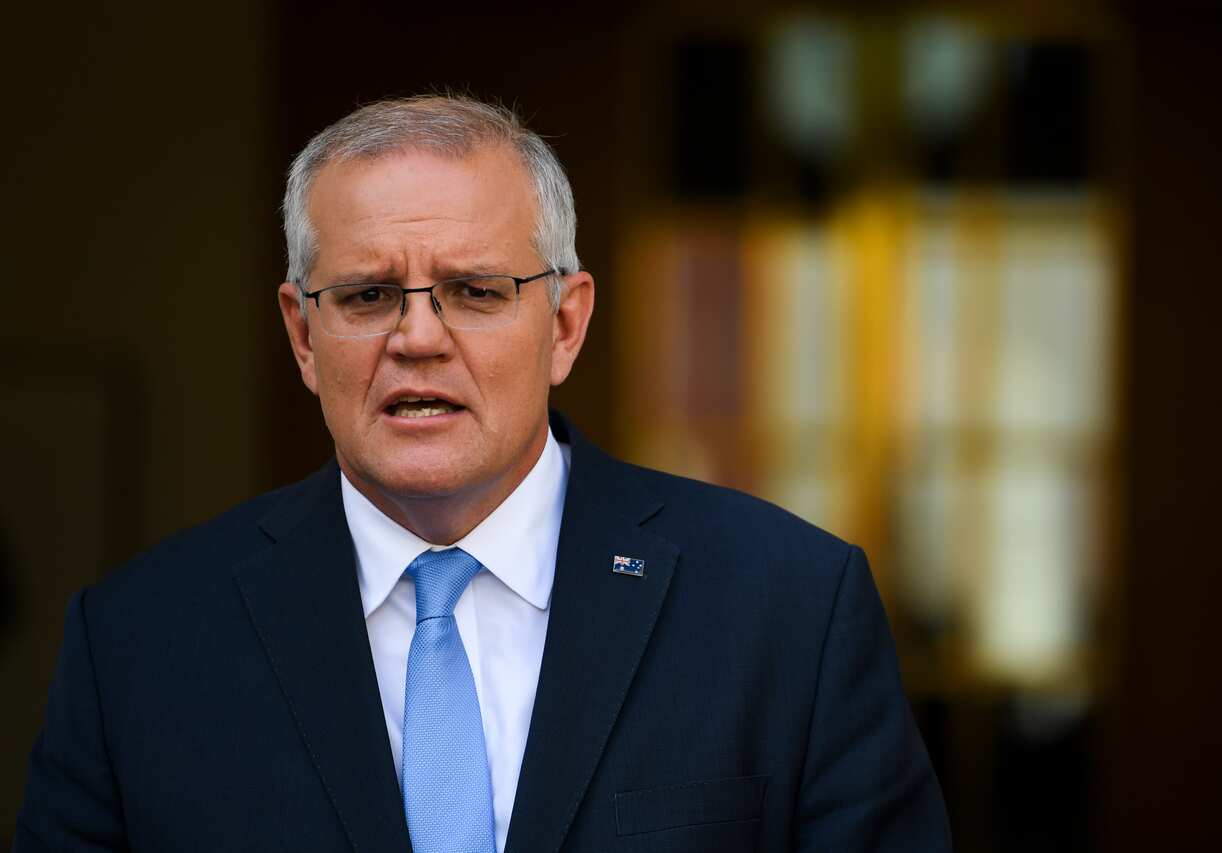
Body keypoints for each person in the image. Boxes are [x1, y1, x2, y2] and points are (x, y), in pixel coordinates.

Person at [14, 95, 950, 852]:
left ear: (567, 324)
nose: (418, 338)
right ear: (303, 334)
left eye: (475, 291)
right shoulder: (138, 643)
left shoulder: (788, 609)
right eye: (369, 294)